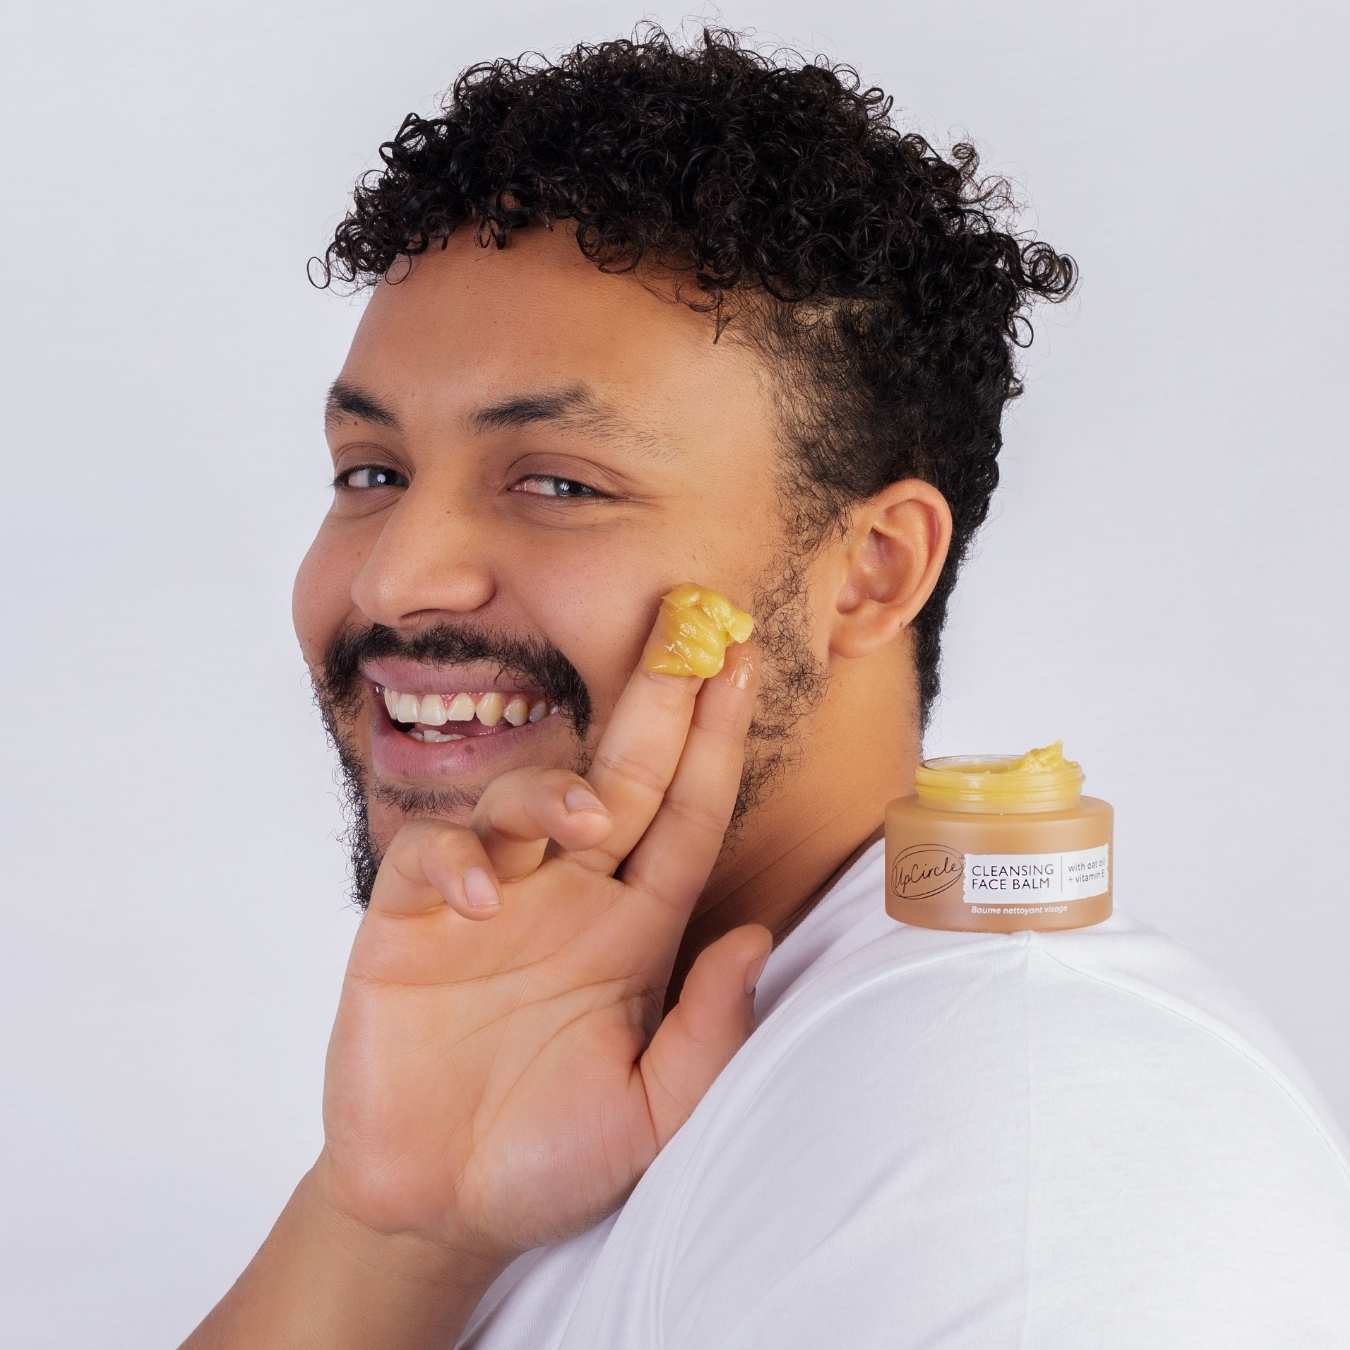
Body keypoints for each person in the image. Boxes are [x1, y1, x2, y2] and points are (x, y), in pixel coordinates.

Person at [180, 22, 1350, 1349]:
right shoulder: (546, 1094)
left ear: (865, 574)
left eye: (559, 482)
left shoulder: (1026, 1133)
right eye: (370, 472)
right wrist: (390, 1231)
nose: (396, 579)